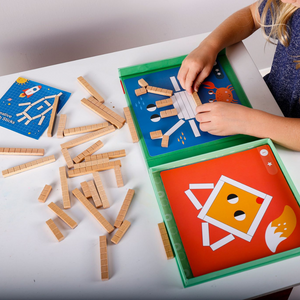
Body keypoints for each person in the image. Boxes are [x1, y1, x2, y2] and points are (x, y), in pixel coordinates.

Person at [177, 0, 300, 151]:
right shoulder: (292, 5)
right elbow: (252, 14)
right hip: (268, 103)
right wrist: (208, 46)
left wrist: (247, 122)